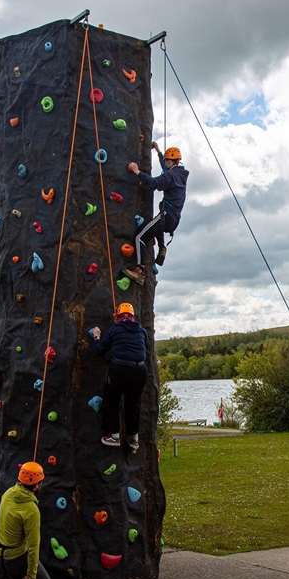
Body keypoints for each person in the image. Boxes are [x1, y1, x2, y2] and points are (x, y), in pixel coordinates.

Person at [123, 142, 189, 285]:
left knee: (139, 236)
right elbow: (165, 168)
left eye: (167, 160)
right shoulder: (179, 174)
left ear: (173, 161)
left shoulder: (170, 175)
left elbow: (154, 183)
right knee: (155, 226)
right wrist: (158, 151)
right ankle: (162, 246)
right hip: (174, 219)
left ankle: (138, 271)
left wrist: (137, 172)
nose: (166, 162)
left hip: (166, 215)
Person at [92, 302, 148, 452]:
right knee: (133, 404)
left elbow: (100, 351)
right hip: (140, 370)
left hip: (121, 370)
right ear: (132, 317)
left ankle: (114, 436)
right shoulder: (141, 331)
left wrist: (97, 337)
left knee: (111, 401)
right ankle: (134, 439)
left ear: (118, 317)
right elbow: (146, 348)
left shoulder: (114, 329)